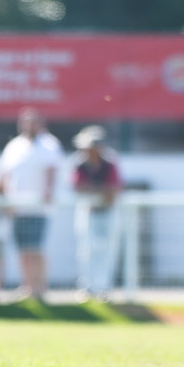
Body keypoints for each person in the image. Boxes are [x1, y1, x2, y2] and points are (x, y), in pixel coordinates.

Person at [0, 107, 62, 300]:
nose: (29, 126)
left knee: (36, 248)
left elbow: (52, 171)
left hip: (38, 209)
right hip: (17, 208)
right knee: (23, 249)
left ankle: (40, 288)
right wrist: (5, 200)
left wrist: (47, 193)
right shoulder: (14, 146)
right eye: (26, 122)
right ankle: (28, 287)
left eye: (33, 122)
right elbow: (4, 174)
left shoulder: (50, 144)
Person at [71, 125, 122, 301]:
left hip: (108, 212)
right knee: (86, 250)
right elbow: (79, 187)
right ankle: (87, 287)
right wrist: (100, 191)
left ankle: (104, 287)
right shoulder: (79, 163)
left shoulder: (110, 162)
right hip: (87, 212)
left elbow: (113, 190)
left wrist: (97, 191)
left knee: (108, 250)